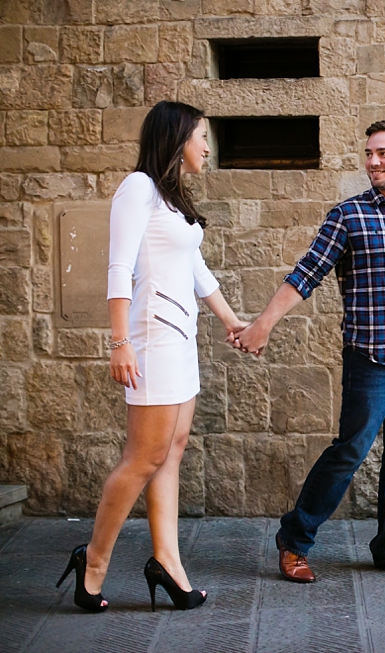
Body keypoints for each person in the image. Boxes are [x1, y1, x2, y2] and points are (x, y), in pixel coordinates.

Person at [232, 120, 385, 581]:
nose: (372, 161)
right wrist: (263, 325)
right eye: (369, 153)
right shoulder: (348, 216)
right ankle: (293, 541)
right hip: (370, 360)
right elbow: (306, 274)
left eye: (382, 153)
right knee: (349, 452)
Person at [57, 101, 248, 612]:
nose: (207, 147)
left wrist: (232, 321)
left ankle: (167, 562)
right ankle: (93, 562)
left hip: (181, 339)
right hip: (149, 338)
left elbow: (195, 266)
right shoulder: (137, 188)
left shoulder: (171, 197)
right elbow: (118, 268)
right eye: (202, 136)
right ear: (178, 137)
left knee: (173, 448)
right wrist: (119, 343)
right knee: (142, 457)